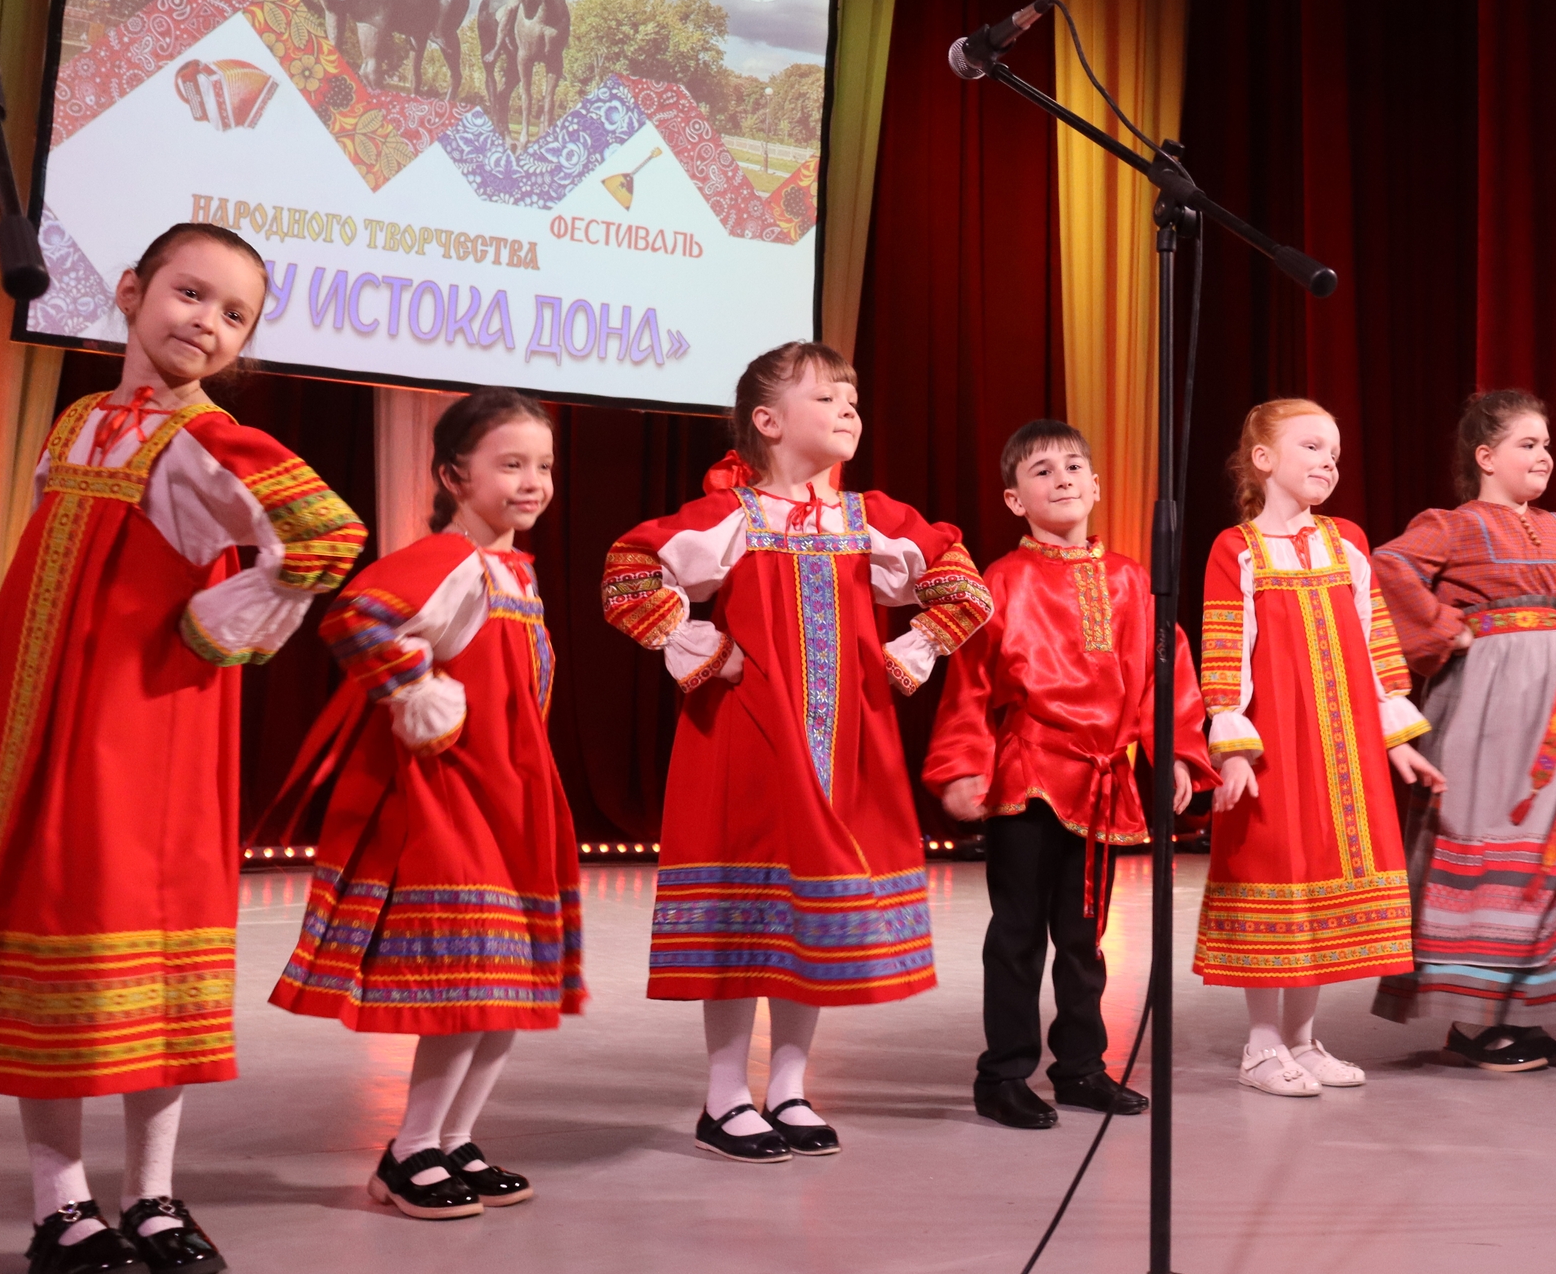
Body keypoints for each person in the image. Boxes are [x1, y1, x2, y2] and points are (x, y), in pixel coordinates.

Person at [0, 223, 364, 1274]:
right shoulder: (77, 420)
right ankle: (63, 1203)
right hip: (38, 714)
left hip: (142, 728)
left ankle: (154, 1193)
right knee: (49, 933)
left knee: (146, 939)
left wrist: (221, 623)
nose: (206, 322)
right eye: (189, 292)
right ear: (130, 290)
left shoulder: (204, 435)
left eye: (234, 315)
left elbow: (323, 531)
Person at [600, 342, 990, 1158]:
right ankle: (723, 1096)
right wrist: (706, 648)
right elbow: (630, 572)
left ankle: (788, 1086)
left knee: (808, 908)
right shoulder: (733, 515)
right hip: (748, 735)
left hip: (844, 739)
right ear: (768, 422)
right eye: (826, 397)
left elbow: (961, 581)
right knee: (745, 907)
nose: (848, 408)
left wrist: (915, 646)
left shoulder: (869, 517)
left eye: (853, 397)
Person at [270, 390, 580, 1217]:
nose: (533, 481)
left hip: (512, 798)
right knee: (469, 982)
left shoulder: (515, 571)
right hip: (456, 798)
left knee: (512, 982)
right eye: (510, 464)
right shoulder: (450, 558)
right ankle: (410, 1149)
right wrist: (417, 692)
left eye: (543, 465)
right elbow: (358, 616)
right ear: (453, 475)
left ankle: (453, 1138)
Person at [922, 419, 1216, 1131]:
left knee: (1084, 939)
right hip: (1028, 776)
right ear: (1014, 499)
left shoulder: (1130, 580)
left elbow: (1163, 672)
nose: (1062, 479)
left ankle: (1081, 1066)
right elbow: (971, 682)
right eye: (1042, 471)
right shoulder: (1000, 581)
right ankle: (1003, 1074)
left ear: (1096, 485)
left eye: (1074, 467)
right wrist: (961, 765)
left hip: (1102, 781)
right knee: (1018, 934)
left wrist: (1175, 751)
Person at [1369, 390, 1556, 1070]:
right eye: (1528, 443)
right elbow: (1386, 567)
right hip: (1490, 709)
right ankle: (1473, 1019)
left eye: (1547, 444)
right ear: (1486, 457)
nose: (1544, 455)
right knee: (1489, 838)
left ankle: (1521, 1013)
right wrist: (1446, 630)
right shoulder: (1453, 525)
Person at [1194, 399, 1445, 1097]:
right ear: (1263, 459)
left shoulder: (1347, 540)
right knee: (1276, 873)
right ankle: (1262, 1044)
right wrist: (1232, 742)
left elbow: (1375, 640)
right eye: (1310, 447)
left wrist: (1396, 737)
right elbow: (1225, 646)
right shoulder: (1237, 548)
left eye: (1334, 452)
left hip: (1343, 746)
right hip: (1276, 742)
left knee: (1322, 880)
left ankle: (1303, 1041)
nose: (1327, 462)